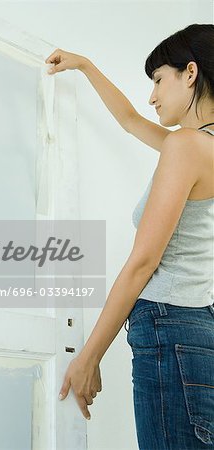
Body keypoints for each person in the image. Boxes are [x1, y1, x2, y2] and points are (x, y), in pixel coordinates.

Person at [45, 23, 214, 449]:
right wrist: (85, 65)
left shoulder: (188, 147)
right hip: (200, 330)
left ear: (189, 73)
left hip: (168, 327)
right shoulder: (201, 147)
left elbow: (144, 261)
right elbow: (129, 120)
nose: (152, 96)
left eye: (158, 80)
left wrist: (89, 355)